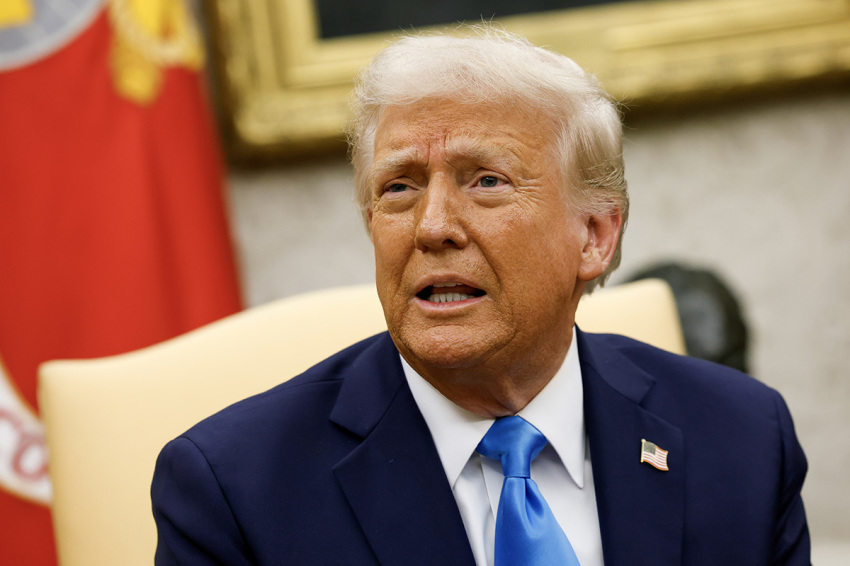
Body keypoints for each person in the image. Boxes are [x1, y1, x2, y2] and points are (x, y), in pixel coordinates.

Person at [151, 26, 810, 565]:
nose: (433, 226)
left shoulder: (743, 438)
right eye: (399, 188)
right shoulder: (234, 490)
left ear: (595, 236)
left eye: (486, 181)